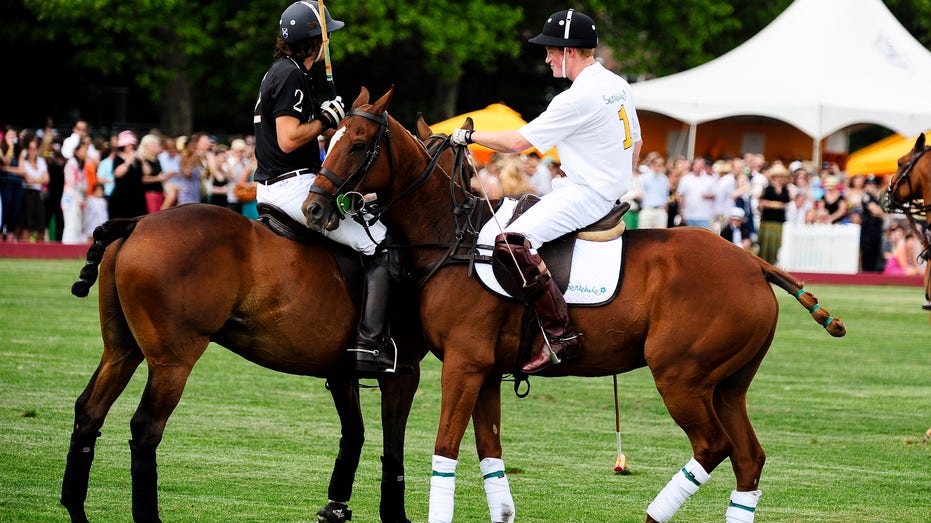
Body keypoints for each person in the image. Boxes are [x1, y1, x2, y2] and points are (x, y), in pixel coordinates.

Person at [451, 8, 642, 373]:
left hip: (586, 193)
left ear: (569, 51)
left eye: (551, 50)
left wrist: (468, 135)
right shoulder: (616, 83)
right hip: (603, 191)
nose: (547, 57)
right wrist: (618, 181)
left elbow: (517, 142)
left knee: (510, 242)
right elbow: (637, 142)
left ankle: (559, 332)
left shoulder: (576, 97)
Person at [253, 1, 400, 381]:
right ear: (313, 43)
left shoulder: (286, 73)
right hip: (292, 186)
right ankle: (369, 343)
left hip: (285, 183)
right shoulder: (290, 76)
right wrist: (324, 120)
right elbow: (288, 140)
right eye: (325, 37)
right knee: (381, 243)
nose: (327, 43)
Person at [757, 162, 791, 264]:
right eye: (777, 176)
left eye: (781, 176)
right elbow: (762, 202)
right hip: (768, 220)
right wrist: (776, 205)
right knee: (766, 245)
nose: (779, 178)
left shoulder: (785, 190)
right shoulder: (768, 188)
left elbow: (788, 203)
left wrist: (783, 205)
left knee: (778, 244)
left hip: (779, 220)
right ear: (773, 177)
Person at [109, 130, 148, 219]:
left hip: (138, 195)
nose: (130, 147)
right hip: (122, 196)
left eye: (132, 144)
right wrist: (128, 162)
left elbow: (147, 172)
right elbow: (117, 174)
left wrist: (143, 162)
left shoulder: (137, 158)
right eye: (128, 144)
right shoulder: (118, 158)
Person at [19, 138, 49, 241]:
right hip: (27, 193)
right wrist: (39, 179)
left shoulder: (40, 161)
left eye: (35, 148)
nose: (33, 151)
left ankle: (40, 248)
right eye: (30, 148)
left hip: (37, 193)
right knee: (27, 221)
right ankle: (25, 246)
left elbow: (47, 179)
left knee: (41, 220)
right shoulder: (24, 162)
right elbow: (28, 180)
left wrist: (35, 180)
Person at [638, 154, 669, 229]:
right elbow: (640, 192)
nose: (658, 167)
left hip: (660, 210)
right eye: (657, 164)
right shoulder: (643, 178)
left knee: (661, 237)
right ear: (652, 165)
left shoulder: (665, 179)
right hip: (647, 210)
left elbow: (666, 196)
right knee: (644, 235)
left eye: (661, 165)